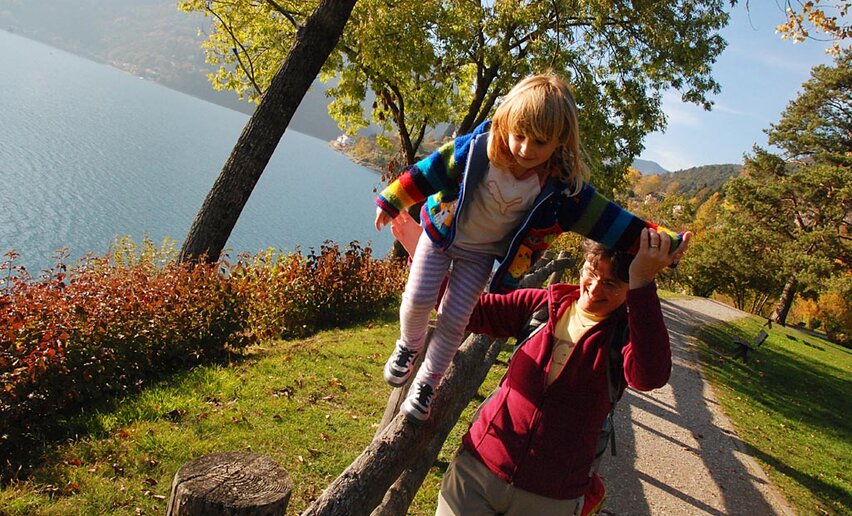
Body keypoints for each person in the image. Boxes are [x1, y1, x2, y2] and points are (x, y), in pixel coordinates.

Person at [374, 72, 683, 422]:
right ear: (506, 121)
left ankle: (428, 381)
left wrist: (664, 241)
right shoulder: (476, 150)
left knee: (455, 320)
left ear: (559, 141)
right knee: (417, 299)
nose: (524, 149)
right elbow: (430, 172)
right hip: (440, 237)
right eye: (518, 135)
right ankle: (409, 345)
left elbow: (610, 220)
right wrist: (393, 198)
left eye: (539, 142)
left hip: (479, 256)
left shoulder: (563, 194)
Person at [435, 229, 690, 516]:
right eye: (591, 272)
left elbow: (650, 376)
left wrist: (644, 283)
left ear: (629, 289)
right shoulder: (540, 306)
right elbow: (469, 310)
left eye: (611, 283)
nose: (594, 288)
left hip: (551, 500)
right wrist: (425, 250)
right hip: (475, 477)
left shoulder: (626, 336)